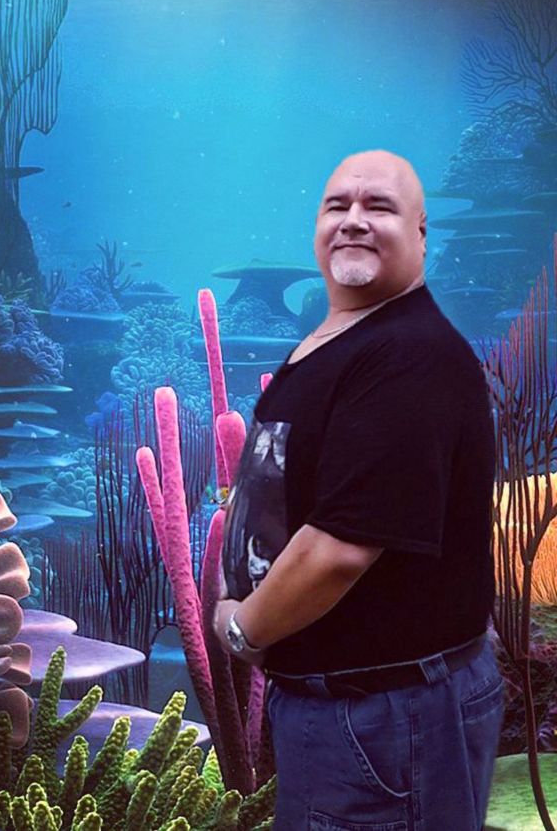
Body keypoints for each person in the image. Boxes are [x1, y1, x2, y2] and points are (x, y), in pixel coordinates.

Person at [212, 149, 504, 830]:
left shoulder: (407, 355)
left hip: (385, 719)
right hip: (356, 714)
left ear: (421, 233)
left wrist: (243, 628)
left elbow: (341, 548)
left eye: (379, 207)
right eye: (337, 205)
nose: (352, 220)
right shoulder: (349, 337)